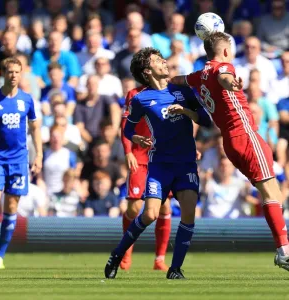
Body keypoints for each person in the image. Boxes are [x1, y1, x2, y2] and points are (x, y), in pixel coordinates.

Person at [171, 31, 289, 271]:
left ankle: (284, 247)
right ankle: (283, 250)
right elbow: (224, 76)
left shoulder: (200, 74)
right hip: (245, 134)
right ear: (226, 51)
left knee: (273, 192)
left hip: (230, 141)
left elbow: (180, 80)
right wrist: (231, 83)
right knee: (271, 193)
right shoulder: (223, 66)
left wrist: (167, 80)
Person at [104, 47, 211, 280]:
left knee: (189, 212)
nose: (164, 62)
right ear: (147, 71)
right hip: (160, 164)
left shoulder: (182, 91)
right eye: (157, 60)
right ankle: (117, 254)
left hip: (185, 163)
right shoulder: (141, 99)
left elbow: (205, 120)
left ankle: (175, 269)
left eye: (162, 58)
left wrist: (185, 111)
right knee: (150, 214)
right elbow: (128, 127)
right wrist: (135, 138)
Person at [0, 57, 42, 269]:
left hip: (19, 160)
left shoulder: (27, 100)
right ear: (3, 73)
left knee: (11, 206)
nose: (13, 76)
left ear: (21, 74)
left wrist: (38, 155)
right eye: (10, 72)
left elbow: (35, 128)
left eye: (17, 72)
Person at [120, 86, 171, 272]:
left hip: (162, 157)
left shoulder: (171, 92)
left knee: (164, 206)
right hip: (140, 157)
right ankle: (125, 252)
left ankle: (159, 260)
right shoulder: (134, 94)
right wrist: (128, 152)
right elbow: (125, 126)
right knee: (134, 208)